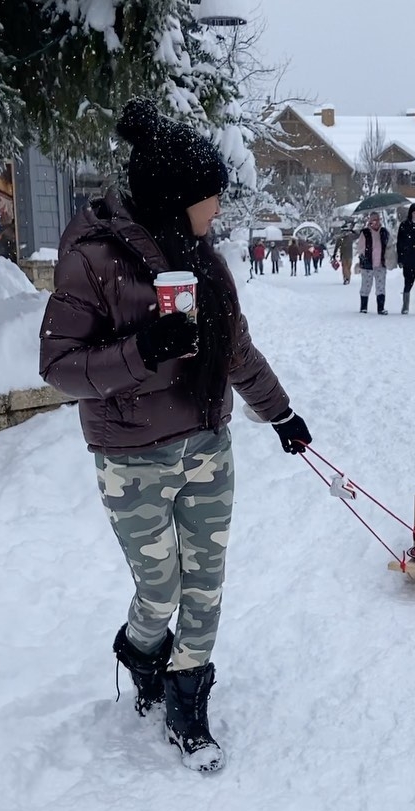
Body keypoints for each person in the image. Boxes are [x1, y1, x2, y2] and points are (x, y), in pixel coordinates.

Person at [38, 97, 312, 773]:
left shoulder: (206, 261)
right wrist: (141, 351)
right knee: (160, 588)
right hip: (132, 458)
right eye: (210, 199)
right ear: (173, 196)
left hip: (208, 449)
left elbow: (238, 352)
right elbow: (59, 368)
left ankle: (189, 698)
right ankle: (140, 649)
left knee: (207, 584)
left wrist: (279, 413)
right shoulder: (94, 260)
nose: (217, 211)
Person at [354, 211, 390, 314]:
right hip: (368, 264)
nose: (376, 222)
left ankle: (381, 308)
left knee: (381, 286)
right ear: (369, 222)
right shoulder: (365, 233)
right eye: (374, 220)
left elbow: (389, 246)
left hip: (381, 264)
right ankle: (363, 307)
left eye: (378, 220)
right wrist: (362, 258)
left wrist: (388, 257)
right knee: (366, 285)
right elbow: (360, 247)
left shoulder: (384, 232)